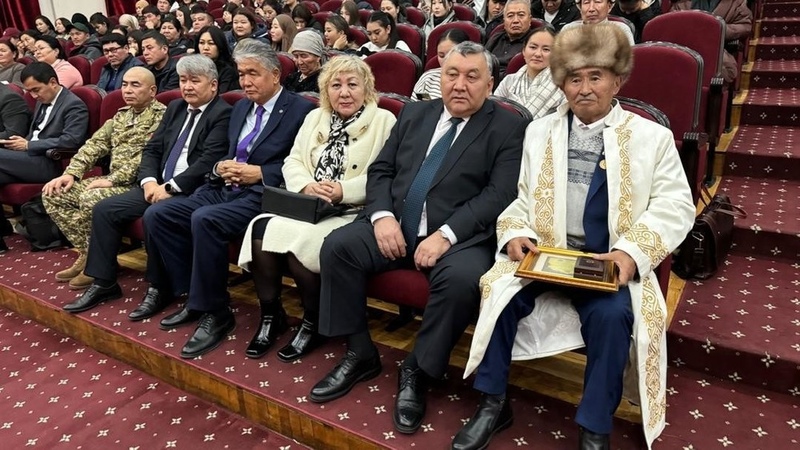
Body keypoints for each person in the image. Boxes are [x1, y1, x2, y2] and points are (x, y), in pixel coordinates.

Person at [451, 23, 695, 450]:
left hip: (605, 263)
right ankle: (492, 402)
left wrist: (629, 254)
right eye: (574, 78)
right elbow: (521, 197)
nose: (584, 89)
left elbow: (676, 206)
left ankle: (594, 426)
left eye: (595, 77)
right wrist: (516, 233)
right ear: (561, 84)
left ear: (617, 80)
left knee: (613, 317)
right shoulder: (539, 131)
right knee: (500, 295)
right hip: (546, 255)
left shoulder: (651, 138)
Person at [309, 42, 527, 437]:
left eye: (472, 77)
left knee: (461, 280)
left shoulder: (508, 127)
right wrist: (381, 217)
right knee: (338, 247)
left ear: (490, 84)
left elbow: (499, 195)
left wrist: (446, 235)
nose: (459, 84)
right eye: (451, 74)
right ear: (439, 78)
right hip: (394, 224)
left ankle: (418, 369)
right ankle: (360, 352)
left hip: (459, 236)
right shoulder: (414, 112)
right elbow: (381, 171)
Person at [143, 40, 315, 359]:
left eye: (253, 73)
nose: (245, 81)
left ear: (275, 74)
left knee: (205, 220)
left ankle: (217, 312)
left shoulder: (301, 110)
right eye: (241, 74)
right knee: (159, 215)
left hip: (263, 194)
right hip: (225, 187)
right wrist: (221, 166)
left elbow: (304, 162)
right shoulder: (240, 107)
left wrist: (260, 173)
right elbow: (225, 153)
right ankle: (194, 296)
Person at [238, 55, 397, 360]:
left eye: (352, 85)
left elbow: (386, 174)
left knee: (303, 243)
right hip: (307, 204)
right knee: (260, 229)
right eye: (336, 85)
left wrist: (342, 190)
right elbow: (293, 160)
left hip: (350, 211)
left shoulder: (384, 120)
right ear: (326, 90)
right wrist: (305, 185)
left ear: (367, 88)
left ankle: (313, 322)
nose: (344, 92)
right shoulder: (315, 117)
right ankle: (271, 315)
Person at [70, 55, 232, 315]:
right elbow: (152, 149)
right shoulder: (176, 107)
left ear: (213, 85)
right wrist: (148, 182)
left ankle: (159, 287)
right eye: (183, 80)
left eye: (194, 81)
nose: (187, 86)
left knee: (154, 214)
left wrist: (169, 188)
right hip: (156, 185)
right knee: (105, 208)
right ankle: (104, 282)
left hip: (191, 190)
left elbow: (208, 161)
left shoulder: (223, 113)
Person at [43, 68, 166, 291]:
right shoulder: (121, 115)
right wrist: (71, 173)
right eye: (125, 84)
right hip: (113, 181)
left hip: (139, 185)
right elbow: (95, 144)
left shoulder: (162, 116)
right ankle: (87, 253)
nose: (127, 90)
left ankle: (97, 263)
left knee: (91, 197)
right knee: (54, 193)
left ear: (152, 90)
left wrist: (112, 180)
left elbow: (147, 157)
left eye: (135, 85)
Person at [0, 62, 88, 185]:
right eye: (29, 91)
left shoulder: (73, 105)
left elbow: (71, 140)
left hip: (48, 161)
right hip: (27, 158)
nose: (33, 96)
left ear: (53, 83)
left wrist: (29, 145)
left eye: (36, 90)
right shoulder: (42, 99)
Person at [671, 0, 752, 82]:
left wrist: (719, 29)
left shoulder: (736, 3)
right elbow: (670, 25)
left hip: (715, 48)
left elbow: (745, 26)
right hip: (686, 47)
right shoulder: (682, 3)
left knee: (725, 72)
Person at [494, 26, 564, 119]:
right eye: (533, 47)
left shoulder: (563, 85)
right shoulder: (509, 81)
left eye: (546, 49)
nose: (538, 54)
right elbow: (494, 112)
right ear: (524, 50)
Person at [413, 28, 469, 100]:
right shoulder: (428, 78)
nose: (445, 60)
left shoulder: (473, 83)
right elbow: (414, 105)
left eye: (451, 55)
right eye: (441, 56)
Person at [485, 0, 533, 77]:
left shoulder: (534, 43)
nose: (515, 21)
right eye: (510, 16)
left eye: (521, 15)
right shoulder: (496, 37)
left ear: (530, 20)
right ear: (504, 21)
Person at [561, 0, 636, 45]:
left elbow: (630, 62)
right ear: (580, 8)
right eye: (586, 2)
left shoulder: (621, 30)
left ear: (609, 6)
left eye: (598, 2)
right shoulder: (568, 30)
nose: (591, 9)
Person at [195, 26, 241, 93]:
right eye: (201, 43)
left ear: (220, 45)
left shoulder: (228, 71)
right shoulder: (192, 67)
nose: (205, 48)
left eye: (211, 43)